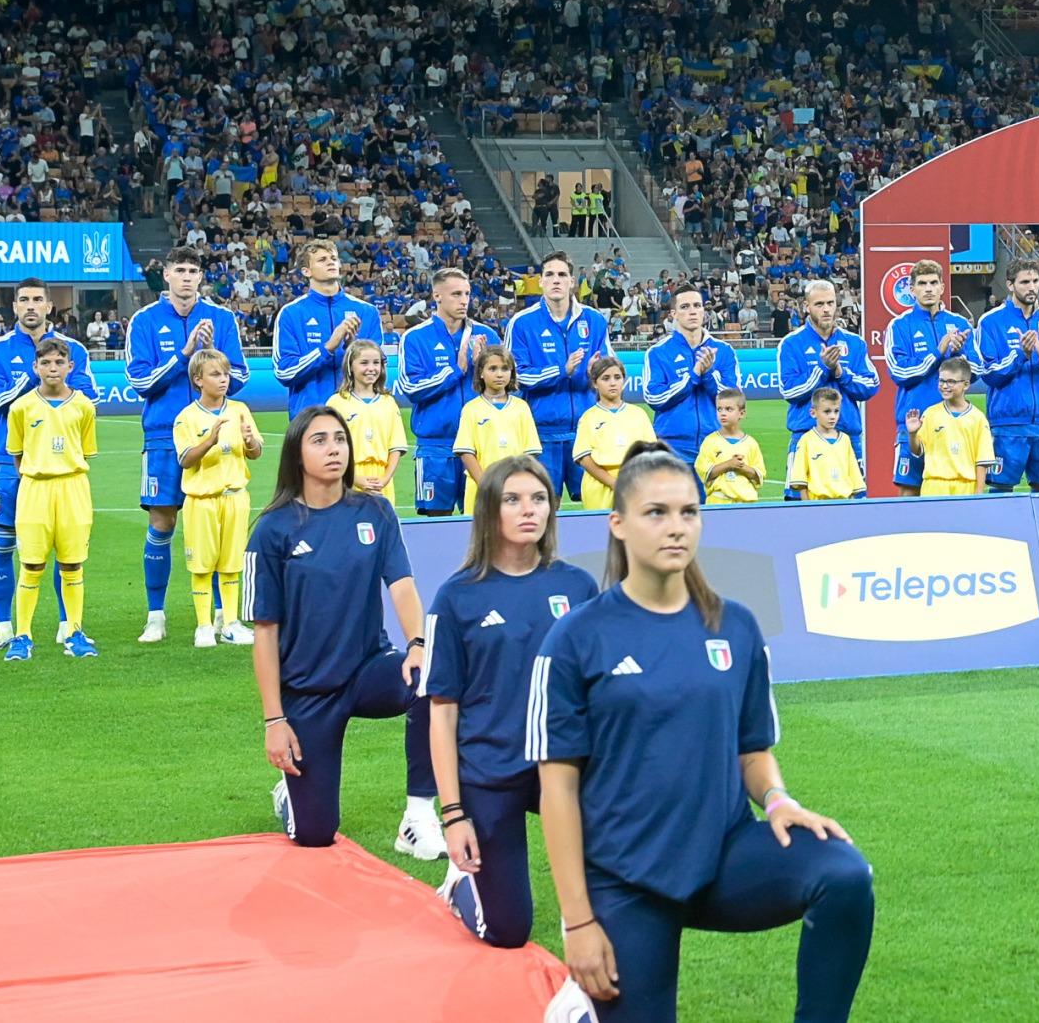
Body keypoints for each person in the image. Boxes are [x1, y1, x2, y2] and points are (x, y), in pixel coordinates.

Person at [530, 445, 876, 1023]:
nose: (676, 528)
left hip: (724, 855)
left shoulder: (734, 626)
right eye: (657, 513)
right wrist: (579, 922)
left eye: (689, 512)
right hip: (625, 877)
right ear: (618, 524)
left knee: (844, 873)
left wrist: (777, 797)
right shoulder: (575, 639)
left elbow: (752, 749)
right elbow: (557, 790)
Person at [249, 405, 441, 861]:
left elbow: (403, 586)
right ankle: (289, 795)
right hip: (307, 692)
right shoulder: (272, 529)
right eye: (319, 440)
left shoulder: (375, 512)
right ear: (297, 454)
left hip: (367, 671)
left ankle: (417, 816)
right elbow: (264, 632)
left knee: (433, 672)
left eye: (339, 438)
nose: (334, 448)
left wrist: (416, 645)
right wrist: (275, 721)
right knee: (316, 836)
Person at [427, 456, 600, 950]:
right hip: (490, 771)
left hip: (563, 768)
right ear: (489, 511)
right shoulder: (456, 598)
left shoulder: (577, 587)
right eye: (513, 499)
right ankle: (465, 886)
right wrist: (453, 814)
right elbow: (441, 714)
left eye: (540, 498)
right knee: (508, 931)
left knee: (619, 895)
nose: (530, 510)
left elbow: (597, 693)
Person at [128, 250, 249, 645]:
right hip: (164, 436)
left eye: (193, 271)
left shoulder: (222, 319)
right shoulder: (144, 320)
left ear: (201, 277)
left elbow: (241, 376)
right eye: (179, 270)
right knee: (162, 523)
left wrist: (214, 360)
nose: (186, 277)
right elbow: (140, 383)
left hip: (217, 435)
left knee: (217, 523)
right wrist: (186, 357)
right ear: (165, 275)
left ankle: (221, 615)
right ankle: (155, 615)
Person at [0, 278, 93, 651]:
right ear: (14, 307)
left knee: (66, 550)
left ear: (49, 306)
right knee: (3, 545)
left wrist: (53, 373)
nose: (31, 306)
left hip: (61, 464)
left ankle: (67, 625)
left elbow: (88, 398)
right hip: (10, 464)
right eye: (24, 300)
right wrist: (38, 373)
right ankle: (4, 626)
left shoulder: (72, 348)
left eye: (38, 300)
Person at [2, 337, 101, 661]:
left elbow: (86, 450)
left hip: (73, 487)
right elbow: (17, 454)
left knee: (72, 563)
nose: (53, 368)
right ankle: (23, 635)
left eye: (59, 362)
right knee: (31, 564)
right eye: (46, 363)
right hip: (35, 489)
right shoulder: (21, 407)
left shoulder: (84, 406)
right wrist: (38, 472)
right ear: (36, 367)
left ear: (70, 366)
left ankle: (74, 632)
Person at [174, 349, 263, 648]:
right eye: (215, 374)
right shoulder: (186, 417)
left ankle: (231, 623)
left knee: (232, 563)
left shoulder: (240, 409)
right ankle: (203, 626)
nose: (223, 379)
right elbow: (186, 460)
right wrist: (209, 441)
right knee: (202, 564)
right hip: (202, 500)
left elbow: (256, 452)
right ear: (198, 380)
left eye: (225, 373)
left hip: (236, 497)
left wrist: (250, 441)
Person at [510, 253, 612, 501]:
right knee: (542, 507)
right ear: (541, 282)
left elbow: (611, 371)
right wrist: (560, 371)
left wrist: (595, 375)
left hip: (588, 431)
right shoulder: (522, 323)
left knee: (596, 504)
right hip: (541, 434)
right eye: (550, 275)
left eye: (562, 275)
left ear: (572, 281)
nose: (556, 280)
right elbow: (517, 376)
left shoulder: (594, 320)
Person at [401, 268, 498, 516]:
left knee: (485, 526)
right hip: (436, 449)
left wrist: (482, 371)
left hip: (481, 447)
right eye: (456, 294)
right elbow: (410, 388)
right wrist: (456, 370)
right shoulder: (415, 338)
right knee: (436, 527)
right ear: (437, 296)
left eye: (467, 293)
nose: (464, 300)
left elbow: (506, 391)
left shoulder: (487, 335)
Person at [976, 262, 1039, 493]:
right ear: (1010, 285)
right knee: (1001, 489)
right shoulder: (990, 322)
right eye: (1025, 282)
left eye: (1035, 282)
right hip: (1007, 424)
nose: (1032, 287)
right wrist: (1021, 355)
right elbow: (988, 374)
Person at [883, 261, 970, 496]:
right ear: (912, 289)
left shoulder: (959, 324)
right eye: (922, 284)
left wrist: (959, 354)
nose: (928, 288)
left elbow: (979, 369)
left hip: (955, 425)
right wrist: (938, 352)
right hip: (914, 425)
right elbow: (899, 372)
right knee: (909, 493)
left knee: (954, 491)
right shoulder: (900, 326)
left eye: (933, 283)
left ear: (942, 287)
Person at [273, 241, 384, 417]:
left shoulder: (367, 312)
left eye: (334, 258)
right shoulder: (291, 313)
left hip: (358, 419)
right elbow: (285, 372)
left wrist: (352, 349)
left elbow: (377, 371)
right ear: (306, 271)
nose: (331, 262)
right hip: (310, 418)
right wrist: (327, 348)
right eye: (322, 259)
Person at [775, 279, 878, 470]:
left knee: (854, 498)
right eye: (819, 304)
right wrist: (822, 369)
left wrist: (840, 373)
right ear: (806, 306)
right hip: (806, 435)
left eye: (830, 303)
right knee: (800, 498)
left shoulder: (854, 342)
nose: (826, 309)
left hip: (848, 436)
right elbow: (789, 391)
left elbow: (871, 385)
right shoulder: (791, 343)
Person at [643, 286, 742, 465]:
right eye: (685, 307)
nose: (692, 312)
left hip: (716, 445)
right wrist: (694, 375)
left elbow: (734, 400)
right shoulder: (658, 352)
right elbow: (655, 398)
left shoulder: (725, 350)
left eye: (697, 305)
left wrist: (709, 375)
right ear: (673, 314)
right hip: (671, 447)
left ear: (704, 310)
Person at [456, 347, 544, 512]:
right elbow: (466, 453)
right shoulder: (471, 409)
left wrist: (517, 483)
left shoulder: (521, 407)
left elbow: (530, 452)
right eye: (493, 368)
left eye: (505, 369)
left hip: (516, 489)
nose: (499, 374)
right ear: (481, 373)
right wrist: (486, 485)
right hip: (481, 488)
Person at [576, 355, 660, 510]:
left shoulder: (638, 414)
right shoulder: (588, 417)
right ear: (595, 383)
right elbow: (584, 458)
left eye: (617, 377)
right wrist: (614, 483)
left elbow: (651, 454)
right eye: (606, 378)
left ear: (624, 380)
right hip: (599, 488)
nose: (613, 383)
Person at [332, 340, 411, 499]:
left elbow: (395, 447)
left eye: (376, 363)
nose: (371, 368)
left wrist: (384, 479)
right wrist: (354, 478)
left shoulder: (389, 403)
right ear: (350, 367)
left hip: (381, 481)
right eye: (364, 363)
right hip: (347, 479)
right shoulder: (336, 403)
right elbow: (332, 450)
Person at [911, 358, 994, 497]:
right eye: (941, 381)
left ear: (966, 384)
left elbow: (982, 462)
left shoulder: (978, 418)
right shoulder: (930, 414)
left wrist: (979, 496)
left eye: (951, 381)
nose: (944, 386)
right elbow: (917, 450)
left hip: (965, 488)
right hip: (934, 487)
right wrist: (912, 434)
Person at [787, 389, 867, 502]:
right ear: (813, 413)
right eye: (827, 411)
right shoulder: (806, 440)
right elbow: (800, 479)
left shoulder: (845, 440)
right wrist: (807, 506)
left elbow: (854, 475)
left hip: (843, 502)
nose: (832, 416)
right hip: (817, 504)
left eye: (836, 411)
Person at [699, 392, 767, 505]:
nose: (723, 413)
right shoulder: (710, 441)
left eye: (728, 409)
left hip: (746, 503)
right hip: (718, 502)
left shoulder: (751, 443)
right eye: (719, 409)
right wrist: (729, 464)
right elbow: (705, 473)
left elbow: (758, 475)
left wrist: (742, 467)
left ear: (741, 413)